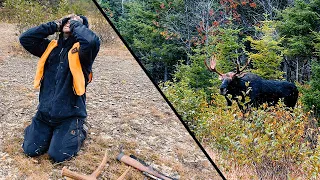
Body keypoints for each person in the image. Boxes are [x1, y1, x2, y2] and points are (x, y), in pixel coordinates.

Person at [19, 14, 100, 162]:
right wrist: (55, 25)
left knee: (58, 156)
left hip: (69, 116)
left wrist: (76, 25)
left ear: (81, 28)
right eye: (68, 19)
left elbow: (91, 40)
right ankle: (47, 133)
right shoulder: (50, 48)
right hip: (44, 114)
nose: (71, 21)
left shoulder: (84, 54)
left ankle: (80, 130)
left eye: (76, 21)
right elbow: (25, 39)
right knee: (30, 150)